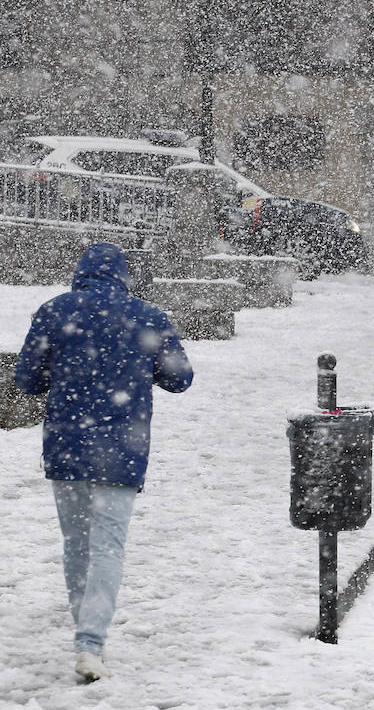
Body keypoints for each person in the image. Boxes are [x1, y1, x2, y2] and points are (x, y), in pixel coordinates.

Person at [13, 242, 194, 682]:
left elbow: (26, 380)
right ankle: (91, 642)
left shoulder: (54, 311)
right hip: (121, 448)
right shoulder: (148, 316)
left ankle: (84, 627)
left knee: (76, 543)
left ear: (81, 273)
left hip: (67, 443)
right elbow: (180, 378)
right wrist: (137, 364)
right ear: (123, 276)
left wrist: (67, 367)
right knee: (108, 546)